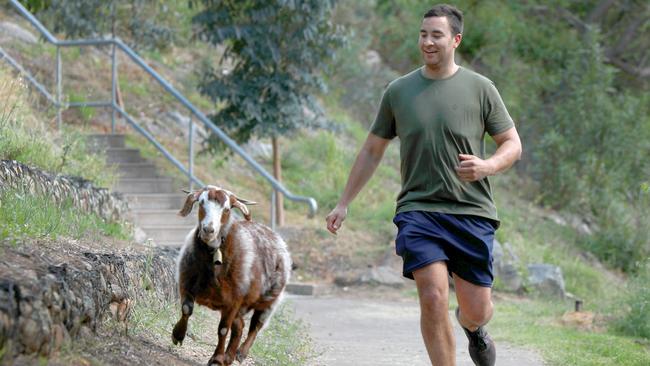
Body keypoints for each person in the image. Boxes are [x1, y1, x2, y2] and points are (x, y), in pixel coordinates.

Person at [325, 4, 522, 366]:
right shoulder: (399, 91)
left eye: (437, 35)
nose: (427, 42)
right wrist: (344, 202)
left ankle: (474, 329)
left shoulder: (480, 88)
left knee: (476, 309)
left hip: (471, 211)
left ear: (455, 40)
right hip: (419, 210)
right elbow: (372, 150)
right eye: (423, 34)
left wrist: (487, 166)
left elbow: (512, 143)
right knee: (432, 295)